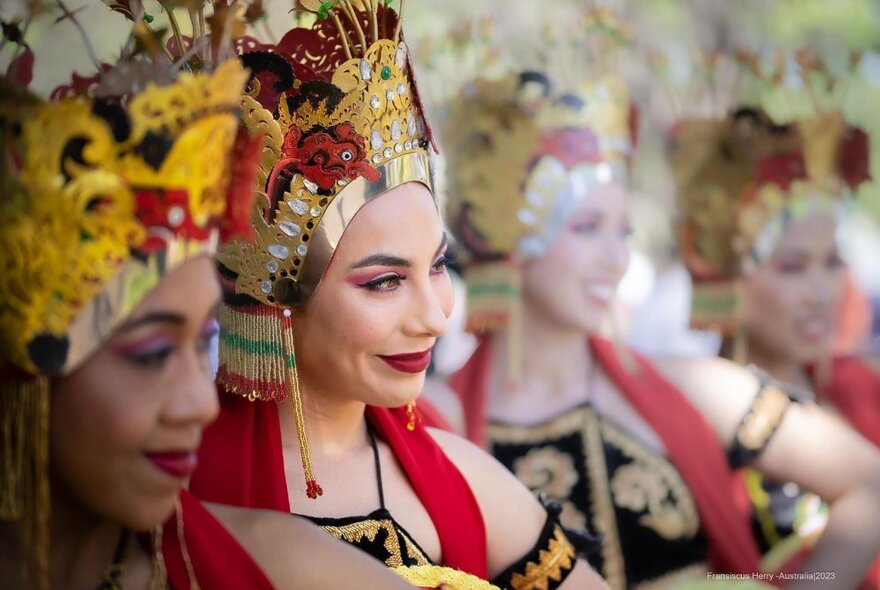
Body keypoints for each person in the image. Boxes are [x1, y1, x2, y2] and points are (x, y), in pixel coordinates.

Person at [0, 18, 430, 590]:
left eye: (205, 341)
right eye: (152, 354)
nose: (201, 404)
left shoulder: (284, 565)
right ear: (23, 365)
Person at [190, 2, 606, 589]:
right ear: (273, 296)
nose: (435, 318)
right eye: (383, 282)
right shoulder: (173, 498)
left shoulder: (465, 480)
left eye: (437, 266)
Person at [440, 54, 880, 590]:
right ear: (508, 237)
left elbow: (869, 483)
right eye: (586, 228)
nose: (615, 259)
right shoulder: (446, 418)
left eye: (622, 233)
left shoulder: (696, 388)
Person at [673, 105, 880, 587]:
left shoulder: (865, 390)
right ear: (728, 277)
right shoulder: (689, 421)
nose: (822, 290)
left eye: (832, 262)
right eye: (792, 266)